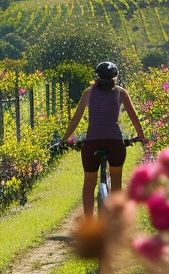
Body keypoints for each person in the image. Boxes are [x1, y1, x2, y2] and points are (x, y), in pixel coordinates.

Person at [60, 61, 147, 217]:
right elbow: (134, 118)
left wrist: (65, 139)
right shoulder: (121, 92)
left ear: (97, 77)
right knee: (116, 184)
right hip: (115, 143)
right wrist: (140, 136)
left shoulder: (88, 92)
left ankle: (88, 222)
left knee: (89, 183)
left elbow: (76, 119)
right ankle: (116, 221)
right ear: (115, 78)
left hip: (92, 143)